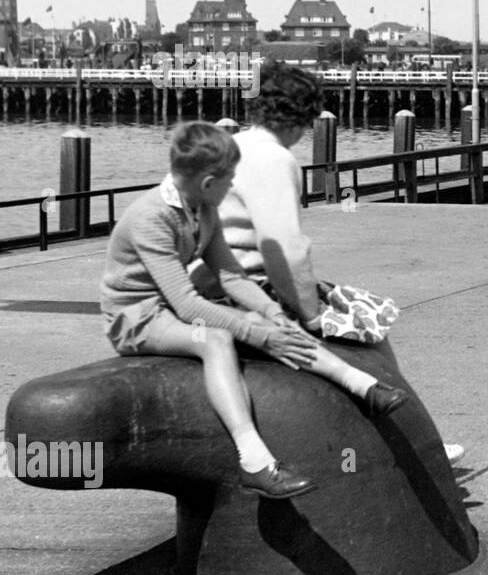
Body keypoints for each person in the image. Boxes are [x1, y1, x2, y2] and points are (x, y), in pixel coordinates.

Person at [101, 122, 409, 500]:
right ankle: (255, 461)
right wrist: (258, 334)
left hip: (168, 307)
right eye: (230, 178)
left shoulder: (203, 208)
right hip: (137, 317)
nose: (234, 186)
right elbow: (186, 303)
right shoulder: (152, 218)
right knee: (215, 340)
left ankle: (362, 385)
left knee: (263, 319)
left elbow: (231, 276)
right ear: (208, 182)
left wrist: (271, 313)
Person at [219, 63, 465, 464]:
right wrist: (311, 314)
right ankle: (413, 446)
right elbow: (282, 247)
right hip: (252, 287)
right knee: (370, 327)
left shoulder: (229, 145)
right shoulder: (275, 159)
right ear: (303, 119)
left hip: (208, 285)